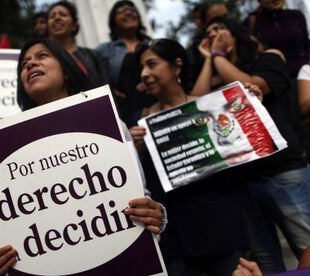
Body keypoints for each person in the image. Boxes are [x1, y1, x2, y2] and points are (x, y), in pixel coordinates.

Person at [0, 37, 166, 275]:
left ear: (66, 70)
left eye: (41, 56)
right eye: (24, 64)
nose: (30, 65)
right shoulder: (7, 147)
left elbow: (141, 198)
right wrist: (7, 259)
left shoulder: (109, 122)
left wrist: (157, 215)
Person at [131, 38, 259, 276]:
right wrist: (133, 150)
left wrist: (248, 108)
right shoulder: (139, 123)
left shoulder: (212, 108)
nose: (144, 74)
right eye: (142, 68)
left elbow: (243, 158)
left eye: (151, 64)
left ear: (177, 66)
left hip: (222, 229)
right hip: (175, 238)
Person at [193, 16, 310, 273]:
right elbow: (193, 105)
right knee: (266, 263)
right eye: (208, 33)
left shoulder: (268, 57)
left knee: (307, 247)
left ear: (237, 33)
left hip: (282, 171)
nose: (213, 35)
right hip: (241, 183)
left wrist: (218, 55)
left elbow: (251, 87)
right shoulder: (214, 73)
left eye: (219, 29)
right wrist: (208, 61)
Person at [97, 0, 155, 127]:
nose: (128, 13)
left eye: (132, 10)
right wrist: (111, 90)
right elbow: (97, 78)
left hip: (157, 104)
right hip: (127, 112)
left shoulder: (152, 44)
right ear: (114, 21)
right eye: (122, 11)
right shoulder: (105, 50)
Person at [46, 1, 106, 87]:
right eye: (52, 16)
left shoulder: (93, 55)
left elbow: (106, 85)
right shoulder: (43, 60)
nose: (57, 18)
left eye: (63, 15)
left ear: (74, 25)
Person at [243, 0, 309, 77]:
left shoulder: (296, 16)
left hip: (304, 76)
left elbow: (306, 45)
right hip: (274, 81)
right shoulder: (251, 23)